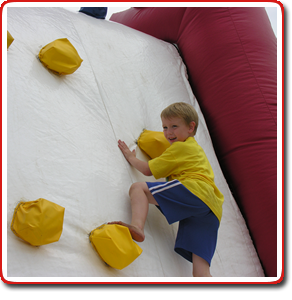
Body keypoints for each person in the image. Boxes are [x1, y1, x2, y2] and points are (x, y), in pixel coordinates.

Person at [109, 102, 224, 277]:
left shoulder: (181, 147)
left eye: (174, 126)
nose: (168, 132)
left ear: (191, 127)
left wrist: (131, 158)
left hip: (195, 190)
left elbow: (148, 170)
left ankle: (137, 226)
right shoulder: (195, 150)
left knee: (138, 188)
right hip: (213, 209)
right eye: (164, 127)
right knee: (201, 271)